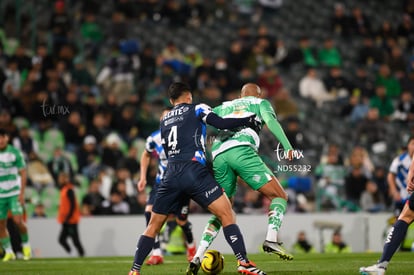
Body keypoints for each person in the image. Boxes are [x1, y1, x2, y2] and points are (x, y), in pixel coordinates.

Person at [128, 82, 265, 275]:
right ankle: (243, 263)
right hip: (193, 170)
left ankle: (134, 270)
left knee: (153, 226)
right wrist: (248, 120)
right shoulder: (197, 108)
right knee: (227, 214)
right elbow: (221, 123)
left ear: (171, 100)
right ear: (189, 97)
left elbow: (166, 151)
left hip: (170, 174)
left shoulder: (164, 120)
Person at [191, 83, 295, 265]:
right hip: (241, 150)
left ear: (241, 95)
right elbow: (271, 122)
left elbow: (200, 120)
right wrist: (287, 146)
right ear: (258, 94)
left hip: (218, 155)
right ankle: (271, 239)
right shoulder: (260, 103)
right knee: (279, 195)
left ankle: (198, 256)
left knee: (224, 209)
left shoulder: (224, 106)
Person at [137, 109, 196, 265]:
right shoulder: (155, 138)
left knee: (182, 221)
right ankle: (157, 253)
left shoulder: (184, 136)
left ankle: (191, 247)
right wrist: (142, 176)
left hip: (181, 183)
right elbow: (146, 154)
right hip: (161, 183)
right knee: (149, 213)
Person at [359, 138, 414, 274]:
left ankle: (381, 265)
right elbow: (390, 176)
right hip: (401, 197)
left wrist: (410, 176)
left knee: (404, 218)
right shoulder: (399, 160)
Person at [0, 128, 31, 261]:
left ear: (7, 138)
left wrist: (22, 193)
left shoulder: (14, 152)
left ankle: (26, 246)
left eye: (2, 137)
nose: (0, 140)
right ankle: (9, 252)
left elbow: (23, 172)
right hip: (0, 195)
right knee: (1, 224)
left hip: (14, 192)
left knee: (18, 221)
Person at [57, 172, 85, 257]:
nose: (60, 180)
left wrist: (68, 217)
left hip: (71, 220)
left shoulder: (69, 190)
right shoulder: (64, 190)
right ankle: (74, 253)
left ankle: (80, 254)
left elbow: (73, 205)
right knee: (63, 239)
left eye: (63, 178)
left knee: (74, 240)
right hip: (67, 220)